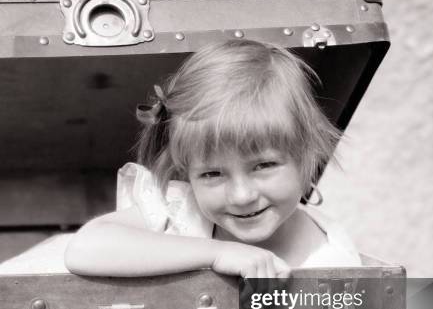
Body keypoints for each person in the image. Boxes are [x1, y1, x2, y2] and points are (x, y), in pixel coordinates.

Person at [64, 39, 361, 279]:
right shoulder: (181, 210)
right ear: (186, 172)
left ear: (308, 155)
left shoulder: (333, 260)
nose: (242, 195)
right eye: (212, 174)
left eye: (263, 165)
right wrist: (218, 253)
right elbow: (84, 248)